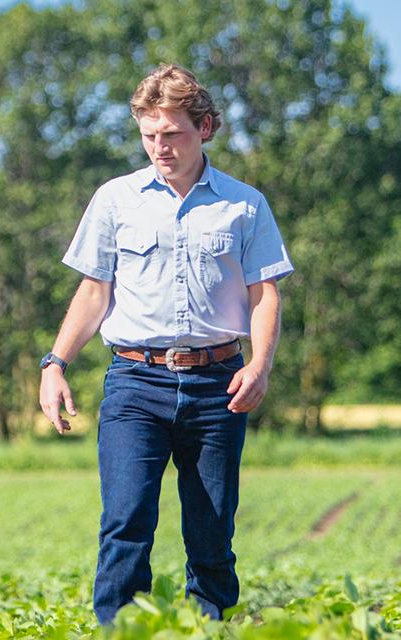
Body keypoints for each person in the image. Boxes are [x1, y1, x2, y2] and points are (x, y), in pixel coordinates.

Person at [37, 63, 292, 626]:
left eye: (172, 134)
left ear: (204, 128)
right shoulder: (115, 199)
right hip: (134, 382)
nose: (160, 146)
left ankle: (209, 630)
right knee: (126, 521)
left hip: (216, 383)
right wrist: (56, 363)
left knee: (211, 531)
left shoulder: (244, 204)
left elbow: (264, 293)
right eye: (149, 134)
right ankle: (122, 632)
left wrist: (261, 366)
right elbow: (93, 290)